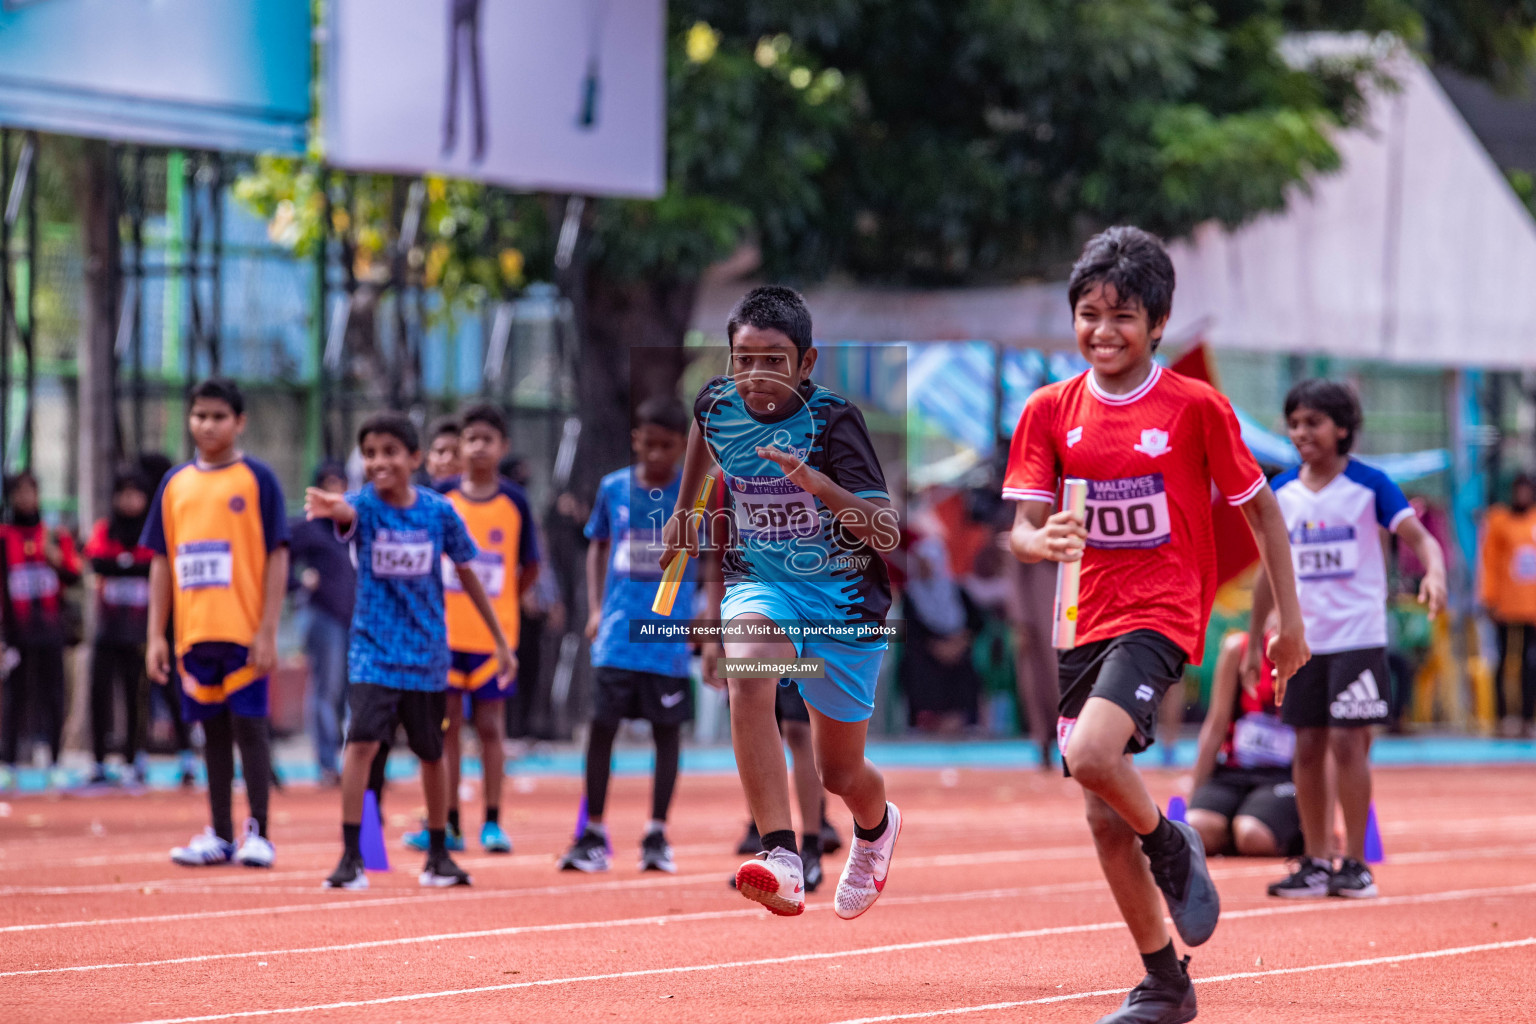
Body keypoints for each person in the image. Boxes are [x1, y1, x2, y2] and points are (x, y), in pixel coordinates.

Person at [1004, 226, 1310, 1024]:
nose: (1103, 332)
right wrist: (1042, 540)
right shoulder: (1047, 412)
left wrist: (1290, 623)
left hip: (1163, 613)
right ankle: (1165, 983)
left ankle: (1173, 846)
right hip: (1083, 619)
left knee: (1091, 753)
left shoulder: (1195, 408)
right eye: (1089, 314)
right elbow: (1023, 529)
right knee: (1102, 814)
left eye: (1123, 317)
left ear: (1159, 324)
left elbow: (1266, 515)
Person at [665, 285, 902, 920]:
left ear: (806, 362)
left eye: (774, 360)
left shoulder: (834, 422)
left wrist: (815, 483)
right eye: (744, 360)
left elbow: (886, 532)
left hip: (844, 601)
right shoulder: (718, 403)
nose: (756, 375)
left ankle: (877, 830)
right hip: (761, 583)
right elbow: (702, 427)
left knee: (839, 774)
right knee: (749, 676)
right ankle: (782, 856)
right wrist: (687, 511)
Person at [1251, 379, 1446, 901]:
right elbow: (1267, 573)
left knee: (1347, 741)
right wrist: (1253, 641)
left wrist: (1434, 572)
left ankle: (1354, 863)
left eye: (1312, 422)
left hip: (1357, 634)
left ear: (1341, 428)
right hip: (1302, 639)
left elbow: (1421, 538)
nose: (1300, 432)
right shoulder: (1282, 492)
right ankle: (1315, 860)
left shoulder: (1371, 484)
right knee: (1308, 744)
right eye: (1293, 423)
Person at [311, 411, 514, 890]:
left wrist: (500, 641)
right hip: (372, 653)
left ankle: (440, 853)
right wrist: (332, 506)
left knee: (430, 751)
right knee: (360, 743)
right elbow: (347, 513)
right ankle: (349, 855)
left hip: (425, 656)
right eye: (370, 454)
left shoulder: (438, 512)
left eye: (390, 452)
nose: (380, 462)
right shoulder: (364, 507)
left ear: (414, 458)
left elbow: (469, 572)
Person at [143, 379, 289, 868]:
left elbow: (277, 556)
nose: (208, 425)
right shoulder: (175, 484)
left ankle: (259, 832)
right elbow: (162, 561)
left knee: (251, 728)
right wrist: (156, 636)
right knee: (212, 733)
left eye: (219, 416)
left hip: (244, 634)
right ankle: (221, 833)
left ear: (239, 422)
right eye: (199, 415)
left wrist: (268, 629)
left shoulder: (258, 480)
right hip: (193, 634)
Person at [559, 398, 707, 874]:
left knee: (667, 733)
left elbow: (718, 557)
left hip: (667, 637)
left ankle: (656, 832)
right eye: (651, 443)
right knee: (601, 727)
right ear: (636, 439)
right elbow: (598, 546)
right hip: (619, 632)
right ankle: (594, 832)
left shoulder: (698, 492)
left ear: (682, 444)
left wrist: (708, 615)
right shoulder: (613, 488)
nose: (659, 454)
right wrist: (598, 607)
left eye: (670, 444)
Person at [403, 403, 538, 855]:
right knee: (446, 728)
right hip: (442, 635)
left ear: (504, 447)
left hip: (492, 637)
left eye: (487, 439)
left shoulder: (515, 501)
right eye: (470, 439)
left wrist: (504, 607)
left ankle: (494, 822)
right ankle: (451, 822)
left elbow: (530, 565)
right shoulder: (440, 498)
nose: (478, 447)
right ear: (459, 447)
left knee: (491, 728)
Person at [1187, 630, 1301, 858]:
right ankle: (1238, 826)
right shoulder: (1238, 649)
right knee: (1197, 830)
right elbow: (1215, 725)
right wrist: (1196, 794)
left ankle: (1292, 835)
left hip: (1283, 777)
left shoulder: (1308, 652)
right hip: (1233, 773)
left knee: (1253, 836)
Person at [0, 470, 81, 790]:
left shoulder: (53, 535)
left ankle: (55, 760)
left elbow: (75, 575)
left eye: (30, 491)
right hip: (16, 632)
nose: (25, 498)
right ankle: (7, 762)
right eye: (18, 492)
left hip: (50, 630)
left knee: (53, 695)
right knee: (13, 697)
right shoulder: (5, 536)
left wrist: (54, 558)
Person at [83, 469, 155, 788]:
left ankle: (133, 759)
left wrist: (124, 565)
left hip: (140, 631)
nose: (129, 501)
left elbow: (152, 565)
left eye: (136, 494)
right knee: (99, 693)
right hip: (107, 629)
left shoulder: (151, 531)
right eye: (123, 494)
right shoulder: (104, 529)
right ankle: (98, 760)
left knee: (135, 695)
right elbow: (97, 562)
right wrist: (131, 566)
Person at [288, 462, 357, 786]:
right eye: (329, 484)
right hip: (323, 617)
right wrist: (298, 582)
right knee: (326, 690)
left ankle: (353, 762)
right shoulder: (308, 527)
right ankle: (328, 764)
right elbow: (277, 555)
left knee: (351, 692)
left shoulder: (354, 526)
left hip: (356, 619)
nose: (335, 491)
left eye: (340, 484)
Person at [1479, 473, 1536, 737]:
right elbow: (1489, 562)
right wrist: (1489, 598)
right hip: (1505, 604)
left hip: (1531, 605)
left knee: (1529, 662)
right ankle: (1502, 717)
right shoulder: (1499, 521)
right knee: (1502, 660)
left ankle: (1527, 717)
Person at [425, 417, 463, 485]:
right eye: (440, 452)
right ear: (428, 459)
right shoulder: (413, 494)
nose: (448, 460)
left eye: (456, 453)